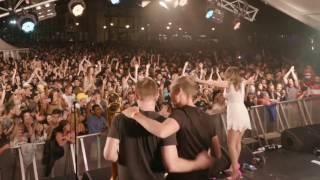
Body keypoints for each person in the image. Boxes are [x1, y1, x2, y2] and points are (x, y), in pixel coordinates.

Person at [104, 77, 212, 180]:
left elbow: (109, 155)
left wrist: (129, 158)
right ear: (157, 95)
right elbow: (171, 165)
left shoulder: (119, 119)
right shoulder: (165, 123)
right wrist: (197, 164)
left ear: (136, 96)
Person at [197, 66, 253, 179]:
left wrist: (198, 80)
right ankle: (234, 167)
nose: (225, 76)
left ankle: (235, 172)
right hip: (242, 111)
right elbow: (249, 80)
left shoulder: (229, 83)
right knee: (237, 143)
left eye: (226, 74)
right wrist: (251, 80)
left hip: (235, 112)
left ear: (230, 74)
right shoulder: (242, 82)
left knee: (231, 144)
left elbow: (213, 83)